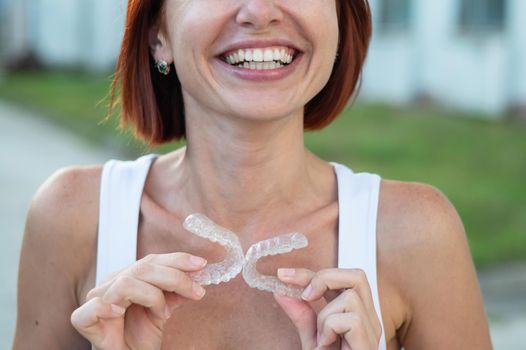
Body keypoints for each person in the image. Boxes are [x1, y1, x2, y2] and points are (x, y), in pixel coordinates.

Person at [13, 0, 492, 349]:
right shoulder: (72, 217)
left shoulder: (417, 233)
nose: (259, 12)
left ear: (341, 19)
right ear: (158, 32)